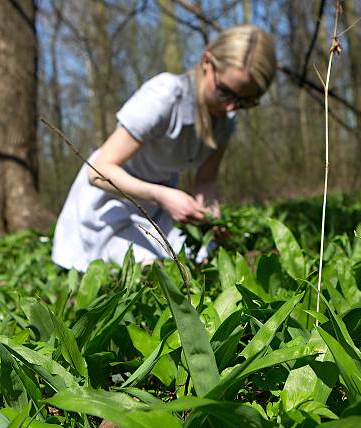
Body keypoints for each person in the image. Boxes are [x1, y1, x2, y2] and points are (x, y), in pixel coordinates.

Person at [51, 25, 277, 271]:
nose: (232, 108)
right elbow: (97, 171)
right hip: (110, 202)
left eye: (245, 102)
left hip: (157, 206)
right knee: (150, 270)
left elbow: (206, 181)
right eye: (225, 92)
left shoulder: (225, 121)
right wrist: (161, 195)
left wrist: (211, 218)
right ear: (207, 61)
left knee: (202, 259)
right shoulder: (165, 97)